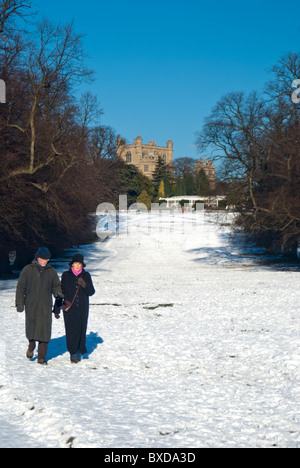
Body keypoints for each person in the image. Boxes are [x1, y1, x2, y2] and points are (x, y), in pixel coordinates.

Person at [15, 247, 63, 365]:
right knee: (31, 328)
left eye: (47, 259)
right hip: (31, 305)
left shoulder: (51, 271)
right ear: (37, 257)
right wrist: (20, 303)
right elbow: (21, 288)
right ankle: (31, 346)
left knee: (44, 331)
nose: (45, 261)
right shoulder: (27, 270)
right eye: (43, 258)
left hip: (45, 306)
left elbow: (56, 285)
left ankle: (41, 357)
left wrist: (58, 293)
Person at [58, 254, 95, 363]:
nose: (78, 266)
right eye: (76, 264)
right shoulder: (65, 275)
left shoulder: (86, 275)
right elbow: (61, 292)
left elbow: (91, 292)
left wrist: (84, 284)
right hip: (69, 309)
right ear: (72, 264)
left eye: (80, 264)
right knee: (71, 330)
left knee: (81, 329)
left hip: (82, 308)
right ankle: (73, 353)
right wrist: (57, 307)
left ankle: (79, 350)